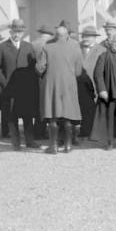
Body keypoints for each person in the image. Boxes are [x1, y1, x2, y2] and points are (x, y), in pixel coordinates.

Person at [0, 19, 41, 150]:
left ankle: (30, 141)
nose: (17, 34)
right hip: (9, 88)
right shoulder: (1, 47)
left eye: (20, 32)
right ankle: (16, 143)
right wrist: (4, 82)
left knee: (28, 115)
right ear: (10, 32)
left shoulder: (28, 46)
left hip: (26, 88)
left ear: (23, 32)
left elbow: (33, 66)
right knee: (12, 116)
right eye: (15, 31)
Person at [36, 24, 83, 154]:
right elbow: (79, 71)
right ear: (67, 35)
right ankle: (68, 146)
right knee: (67, 116)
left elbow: (40, 68)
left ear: (55, 36)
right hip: (69, 85)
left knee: (52, 116)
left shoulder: (47, 47)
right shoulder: (76, 48)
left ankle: (54, 147)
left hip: (52, 84)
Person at [77, 26, 106, 137]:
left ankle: (94, 131)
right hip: (78, 85)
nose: (85, 39)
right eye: (84, 36)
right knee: (82, 108)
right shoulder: (76, 48)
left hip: (94, 84)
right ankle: (84, 131)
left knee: (93, 109)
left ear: (94, 37)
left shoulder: (102, 50)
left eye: (89, 36)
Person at [31, 25, 54, 140]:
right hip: (47, 77)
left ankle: (37, 130)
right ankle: (42, 131)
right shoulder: (50, 44)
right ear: (50, 34)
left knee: (38, 106)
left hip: (34, 78)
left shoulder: (33, 44)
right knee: (46, 106)